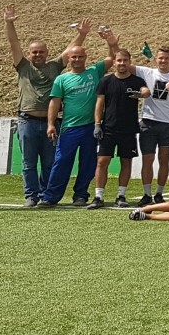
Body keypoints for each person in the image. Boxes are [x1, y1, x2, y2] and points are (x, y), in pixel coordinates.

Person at [4, 6, 89, 207]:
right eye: (34, 52)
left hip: (51, 123)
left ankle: (45, 195)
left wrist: (82, 35)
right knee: (28, 163)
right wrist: (9, 23)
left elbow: (70, 51)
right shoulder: (23, 66)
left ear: (47, 53)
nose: (38, 55)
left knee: (50, 163)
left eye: (41, 52)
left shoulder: (54, 66)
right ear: (29, 54)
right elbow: (14, 43)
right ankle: (31, 195)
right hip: (27, 121)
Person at [40, 30, 117, 207]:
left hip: (91, 126)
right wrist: (51, 124)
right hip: (69, 128)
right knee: (61, 162)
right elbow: (54, 103)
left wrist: (110, 42)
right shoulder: (61, 79)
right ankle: (51, 197)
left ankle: (81, 195)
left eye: (80, 56)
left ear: (85, 57)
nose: (77, 59)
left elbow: (112, 59)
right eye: (73, 57)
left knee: (88, 163)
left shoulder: (94, 71)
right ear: (69, 58)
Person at [88, 48, 150, 208]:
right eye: (119, 60)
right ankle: (98, 197)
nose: (122, 63)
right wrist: (97, 124)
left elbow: (145, 91)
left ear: (129, 62)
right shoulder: (106, 81)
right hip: (108, 128)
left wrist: (144, 92)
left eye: (125, 60)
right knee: (102, 161)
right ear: (114, 62)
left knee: (126, 161)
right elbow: (99, 104)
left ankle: (121, 196)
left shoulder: (137, 81)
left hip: (128, 130)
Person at [134, 46, 169, 205]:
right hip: (148, 121)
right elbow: (126, 65)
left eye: (166, 58)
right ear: (155, 59)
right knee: (148, 159)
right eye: (160, 58)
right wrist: (112, 43)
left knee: (164, 159)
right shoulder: (147, 72)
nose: (163, 61)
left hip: (168, 123)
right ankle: (146, 194)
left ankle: (159, 193)